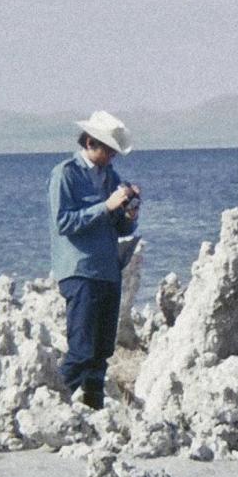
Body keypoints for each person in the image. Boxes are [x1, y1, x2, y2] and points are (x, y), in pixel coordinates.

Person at [48, 110, 140, 410]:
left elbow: (121, 228)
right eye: (108, 149)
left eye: (114, 151)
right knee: (82, 350)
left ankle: (93, 411)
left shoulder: (111, 177)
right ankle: (53, 408)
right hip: (80, 271)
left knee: (101, 352)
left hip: (108, 271)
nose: (112, 156)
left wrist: (129, 212)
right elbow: (63, 222)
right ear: (89, 142)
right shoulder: (66, 173)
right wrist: (105, 206)